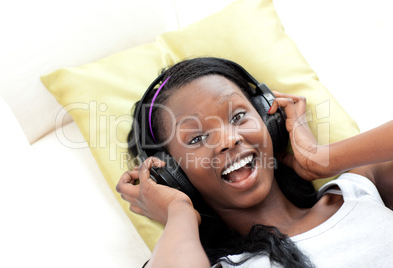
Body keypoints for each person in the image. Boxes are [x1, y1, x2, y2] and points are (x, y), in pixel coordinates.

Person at [116, 57, 393, 268]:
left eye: (237, 117)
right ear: (175, 175)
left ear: (269, 121)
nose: (227, 140)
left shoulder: (356, 191)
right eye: (197, 137)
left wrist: (323, 158)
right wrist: (178, 211)